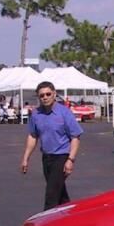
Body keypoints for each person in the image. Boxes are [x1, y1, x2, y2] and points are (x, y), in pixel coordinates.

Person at [21, 81, 83, 210]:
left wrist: (70, 160)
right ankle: (71, 219)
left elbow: (75, 137)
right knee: (60, 193)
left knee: (51, 194)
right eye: (42, 95)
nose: (45, 97)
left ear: (54, 94)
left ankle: (45, 225)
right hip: (47, 158)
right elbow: (33, 136)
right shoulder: (36, 114)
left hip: (62, 157)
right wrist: (25, 158)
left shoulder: (64, 113)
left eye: (48, 94)